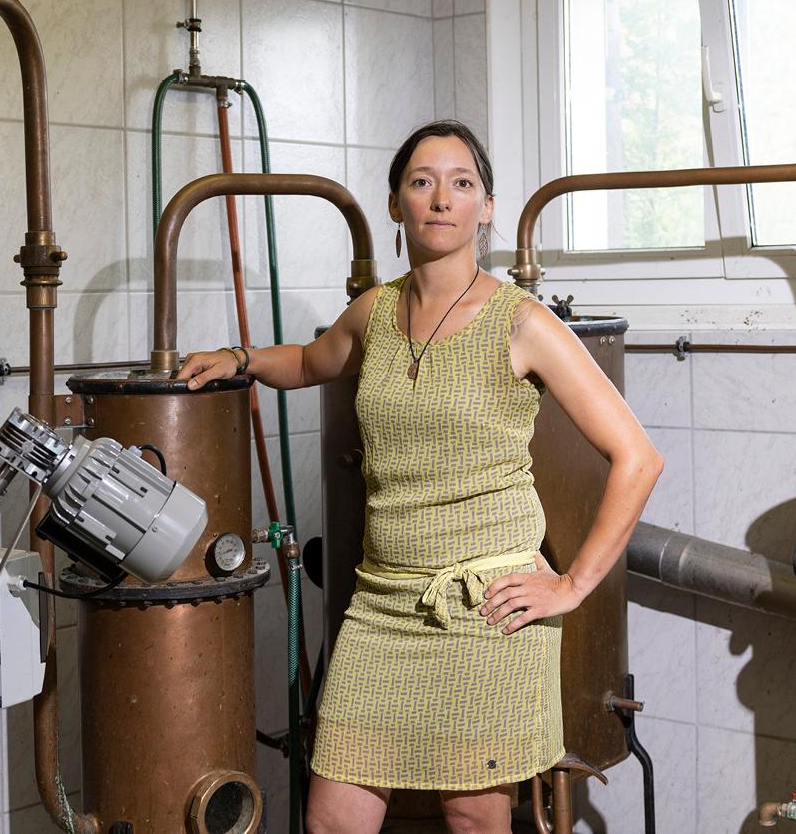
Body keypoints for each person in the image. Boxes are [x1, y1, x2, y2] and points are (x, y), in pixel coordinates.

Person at [177, 120, 662, 834]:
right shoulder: (375, 312)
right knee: (331, 818)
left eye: (461, 184)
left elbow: (637, 456)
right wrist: (241, 358)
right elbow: (311, 362)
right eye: (421, 181)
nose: (441, 199)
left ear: (485, 207)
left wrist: (570, 585)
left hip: (486, 607)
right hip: (382, 603)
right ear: (395, 202)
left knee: (471, 816)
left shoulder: (521, 323)